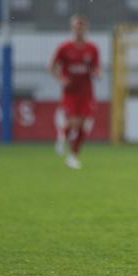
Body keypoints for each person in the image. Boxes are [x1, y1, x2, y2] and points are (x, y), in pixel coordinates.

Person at [49, 15, 100, 170]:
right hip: (70, 92)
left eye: (82, 27)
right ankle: (63, 135)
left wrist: (96, 72)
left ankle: (72, 157)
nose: (79, 30)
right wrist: (62, 79)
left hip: (87, 92)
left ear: (86, 29)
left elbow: (96, 67)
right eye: (76, 27)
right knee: (74, 122)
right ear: (72, 28)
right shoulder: (64, 48)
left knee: (85, 124)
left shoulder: (92, 48)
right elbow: (52, 66)